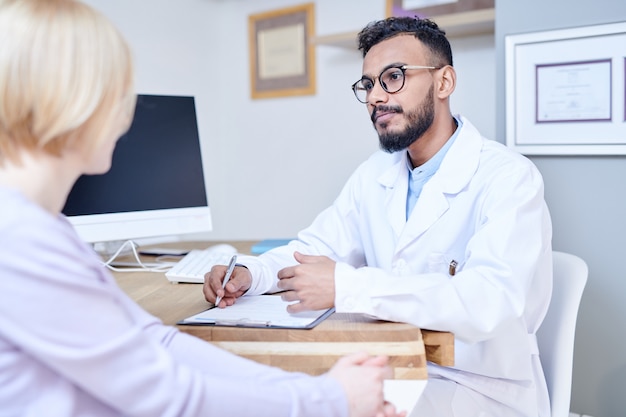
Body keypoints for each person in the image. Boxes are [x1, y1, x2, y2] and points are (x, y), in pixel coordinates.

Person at [0, 1, 406, 416]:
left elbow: (156, 342)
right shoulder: (19, 238)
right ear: (70, 101)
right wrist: (332, 400)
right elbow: (169, 397)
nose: (124, 113)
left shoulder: (42, 227)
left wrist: (322, 390)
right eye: (116, 92)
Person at [204, 16, 553, 417]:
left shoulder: (508, 177)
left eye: (393, 77)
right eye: (368, 84)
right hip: (394, 370)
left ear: (444, 82)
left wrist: (348, 286)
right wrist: (252, 275)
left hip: (480, 390)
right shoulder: (375, 174)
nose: (374, 97)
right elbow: (314, 250)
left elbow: (487, 302)